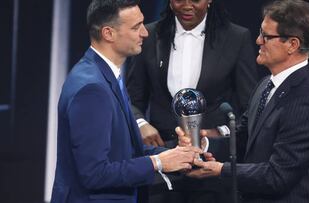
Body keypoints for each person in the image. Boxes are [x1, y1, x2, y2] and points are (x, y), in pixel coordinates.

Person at [178, 0, 309, 202]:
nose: (258, 41)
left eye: (266, 36)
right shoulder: (265, 85)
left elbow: (278, 176)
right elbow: (242, 139)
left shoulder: (305, 101)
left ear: (292, 45)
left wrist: (219, 170)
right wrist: (203, 144)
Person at [50, 1, 201, 202]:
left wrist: (174, 155)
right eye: (135, 27)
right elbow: (94, 174)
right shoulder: (92, 89)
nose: (145, 34)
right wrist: (157, 162)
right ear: (108, 33)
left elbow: (123, 150)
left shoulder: (106, 75)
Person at [125, 0, 259, 202]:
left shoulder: (235, 38)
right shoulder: (149, 35)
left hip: (211, 166)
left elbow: (250, 109)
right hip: (162, 166)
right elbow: (131, 99)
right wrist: (141, 123)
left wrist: (218, 134)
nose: (187, 5)